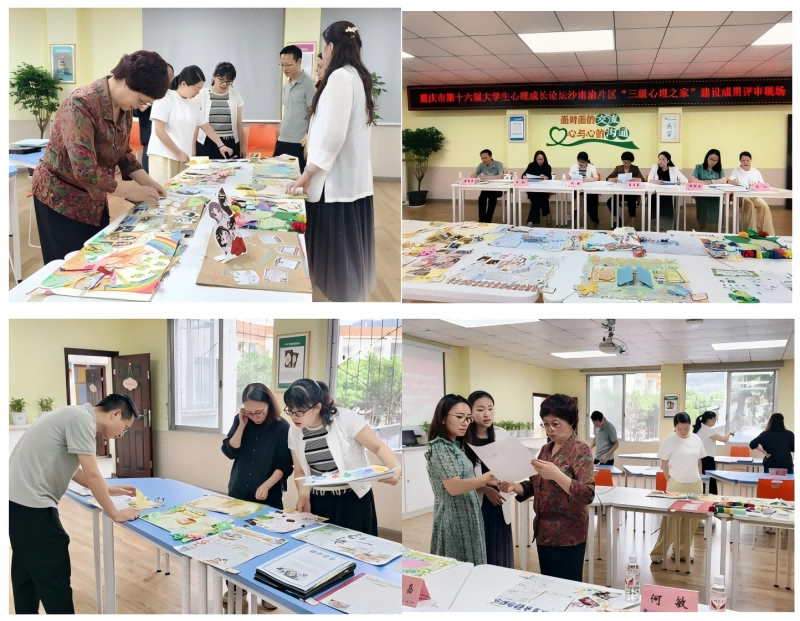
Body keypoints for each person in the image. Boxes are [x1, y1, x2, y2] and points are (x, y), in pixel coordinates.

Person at [32, 51, 170, 264]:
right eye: (141, 100)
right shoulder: (80, 104)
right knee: (69, 266)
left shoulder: (123, 107)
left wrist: (149, 183)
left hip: (94, 199)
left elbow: (123, 153)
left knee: (97, 260)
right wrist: (131, 191)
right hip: (60, 198)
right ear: (125, 81)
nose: (141, 107)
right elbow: (85, 170)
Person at [9, 395, 141, 614]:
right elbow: (91, 474)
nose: (121, 435)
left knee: (26, 576)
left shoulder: (72, 413)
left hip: (15, 503)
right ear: (116, 414)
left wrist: (108, 488)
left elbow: (75, 469)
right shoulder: (82, 421)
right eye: (125, 428)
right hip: (33, 507)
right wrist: (115, 513)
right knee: (55, 579)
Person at [286, 22, 376, 302]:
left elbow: (336, 134)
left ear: (332, 47)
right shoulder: (358, 77)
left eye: (324, 47)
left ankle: (336, 300)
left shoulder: (339, 77)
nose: (323, 54)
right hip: (352, 180)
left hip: (333, 182)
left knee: (336, 253)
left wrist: (309, 172)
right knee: (347, 253)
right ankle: (341, 299)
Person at [498, 394, 595, 582]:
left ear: (571, 421)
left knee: (567, 587)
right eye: (546, 424)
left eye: (555, 424)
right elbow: (535, 484)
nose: (550, 430)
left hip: (568, 534)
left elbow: (587, 494)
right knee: (548, 585)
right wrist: (514, 487)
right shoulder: (546, 449)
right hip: (544, 532)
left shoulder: (580, 450)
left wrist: (557, 474)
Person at [286, 379, 400, 535]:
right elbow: (299, 470)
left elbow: (378, 446)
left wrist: (395, 468)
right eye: (290, 410)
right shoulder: (295, 431)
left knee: (356, 546)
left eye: (300, 411)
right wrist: (303, 495)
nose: (294, 416)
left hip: (351, 499)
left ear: (317, 407)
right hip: (318, 499)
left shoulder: (345, 419)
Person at [221, 383, 289, 612]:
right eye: (249, 412)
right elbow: (230, 451)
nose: (255, 416)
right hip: (239, 492)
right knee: (235, 543)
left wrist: (267, 485)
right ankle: (236, 590)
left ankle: (269, 590)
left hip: (268, 496)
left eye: (259, 412)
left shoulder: (281, 427)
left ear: (269, 405)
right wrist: (242, 425)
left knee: (268, 544)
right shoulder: (242, 420)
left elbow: (284, 465)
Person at [426, 394, 495, 565]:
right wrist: (487, 477)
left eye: (468, 418)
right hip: (454, 518)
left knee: (472, 565)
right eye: (459, 417)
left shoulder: (455, 445)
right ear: (443, 418)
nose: (465, 423)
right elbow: (454, 487)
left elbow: (466, 479)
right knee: (457, 566)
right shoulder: (440, 447)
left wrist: (489, 482)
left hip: (468, 514)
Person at [147, 65, 233, 185]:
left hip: (183, 157)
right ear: (183, 84)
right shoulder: (164, 97)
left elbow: (205, 125)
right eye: (196, 89)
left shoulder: (193, 103)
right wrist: (178, 152)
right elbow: (159, 131)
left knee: (181, 191)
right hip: (163, 156)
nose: (198, 93)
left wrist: (221, 145)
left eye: (200, 89)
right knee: (164, 191)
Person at [464, 391, 513, 568]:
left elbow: (510, 465)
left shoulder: (501, 434)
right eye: (480, 409)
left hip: (500, 499)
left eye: (490, 409)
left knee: (500, 550)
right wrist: (485, 487)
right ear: (470, 412)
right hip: (476, 499)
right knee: (481, 550)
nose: (487, 414)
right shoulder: (463, 438)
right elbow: (462, 477)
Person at [650, 412, 706, 564]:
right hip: (676, 484)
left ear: (690, 426)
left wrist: (699, 477)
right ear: (675, 427)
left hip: (695, 484)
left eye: (686, 428)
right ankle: (658, 552)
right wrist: (670, 480)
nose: (683, 431)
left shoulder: (696, 439)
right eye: (679, 428)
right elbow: (664, 463)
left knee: (691, 521)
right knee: (671, 520)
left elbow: (699, 462)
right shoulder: (670, 440)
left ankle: (682, 552)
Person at [275, 45, 316, 172]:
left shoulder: (309, 84)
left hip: (299, 142)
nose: (284, 68)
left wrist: (310, 136)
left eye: (288, 65)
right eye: (282, 65)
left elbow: (315, 113)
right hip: (282, 139)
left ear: (299, 62)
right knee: (276, 175)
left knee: (295, 178)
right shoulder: (286, 85)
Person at [196, 62, 245, 161]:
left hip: (230, 142)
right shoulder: (202, 94)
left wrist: (242, 147)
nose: (224, 84)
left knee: (231, 170)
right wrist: (193, 149)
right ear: (214, 76)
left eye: (228, 81)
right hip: (206, 143)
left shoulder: (235, 95)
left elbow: (239, 123)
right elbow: (197, 124)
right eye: (221, 79)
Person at [133, 63, 174, 173]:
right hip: (149, 139)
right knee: (150, 174)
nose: (169, 80)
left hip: (170, 141)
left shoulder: (174, 96)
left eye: (171, 76)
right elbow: (136, 111)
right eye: (166, 76)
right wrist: (149, 102)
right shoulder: (146, 91)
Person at [728, 151, 775, 235]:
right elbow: (729, 181)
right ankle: (751, 232)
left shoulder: (756, 172)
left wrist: (755, 186)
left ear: (750, 161)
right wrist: (735, 182)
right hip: (742, 195)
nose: (745, 162)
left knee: (764, 206)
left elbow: (762, 184)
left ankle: (767, 232)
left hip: (754, 195)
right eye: (743, 161)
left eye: (747, 160)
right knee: (750, 204)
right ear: (740, 161)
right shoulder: (736, 170)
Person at [693, 411, 736, 495]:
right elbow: (724, 439)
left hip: (697, 458)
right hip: (707, 459)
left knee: (701, 481)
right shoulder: (708, 430)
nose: (715, 421)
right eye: (715, 419)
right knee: (710, 482)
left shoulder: (698, 429)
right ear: (709, 420)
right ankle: (711, 498)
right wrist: (729, 433)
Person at [647, 151, 688, 230]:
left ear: (668, 160)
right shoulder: (655, 167)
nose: (660, 161)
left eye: (663, 159)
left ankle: (668, 225)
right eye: (659, 159)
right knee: (654, 200)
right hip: (656, 193)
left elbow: (685, 180)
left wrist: (679, 182)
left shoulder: (674, 169)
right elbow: (649, 179)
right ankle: (654, 224)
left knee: (668, 204)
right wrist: (657, 181)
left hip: (669, 194)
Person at [606, 151, 645, 227]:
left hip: (631, 192)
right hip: (620, 192)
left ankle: (632, 222)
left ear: (631, 162)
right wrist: (615, 179)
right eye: (624, 162)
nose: (626, 164)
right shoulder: (618, 168)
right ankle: (617, 219)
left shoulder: (635, 168)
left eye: (628, 163)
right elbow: (608, 178)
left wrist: (632, 179)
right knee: (610, 202)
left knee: (632, 202)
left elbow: (642, 180)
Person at [690, 149, 727, 229]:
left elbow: (724, 180)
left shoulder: (719, 169)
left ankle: (718, 224)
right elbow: (693, 180)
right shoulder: (699, 167)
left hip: (716, 193)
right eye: (711, 159)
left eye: (715, 160)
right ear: (707, 157)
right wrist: (705, 182)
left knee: (716, 208)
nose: (712, 162)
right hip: (702, 193)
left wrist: (710, 181)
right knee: (702, 207)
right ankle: (702, 224)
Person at [472, 149, 505, 223]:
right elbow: (475, 174)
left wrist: (487, 177)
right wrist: (473, 176)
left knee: (492, 198)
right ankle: (481, 219)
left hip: (497, 188)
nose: (484, 160)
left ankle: (488, 219)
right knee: (481, 198)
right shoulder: (481, 165)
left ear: (490, 156)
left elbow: (501, 176)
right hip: (486, 187)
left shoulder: (498, 164)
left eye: (485, 158)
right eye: (482, 158)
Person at [569, 151, 600, 227]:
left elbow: (596, 177)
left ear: (586, 161)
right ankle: (582, 223)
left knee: (590, 202)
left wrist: (587, 179)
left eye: (583, 162)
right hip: (578, 189)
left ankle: (592, 219)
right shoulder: (574, 166)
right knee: (580, 201)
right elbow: (569, 177)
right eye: (579, 161)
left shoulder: (591, 167)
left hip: (589, 190)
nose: (581, 164)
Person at [522, 150, 552, 225]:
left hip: (544, 191)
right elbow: (523, 175)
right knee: (538, 199)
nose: (540, 161)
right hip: (533, 191)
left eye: (542, 159)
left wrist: (546, 178)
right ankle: (546, 212)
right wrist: (525, 177)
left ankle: (531, 221)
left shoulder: (547, 167)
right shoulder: (531, 165)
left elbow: (550, 179)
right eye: (538, 159)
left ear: (544, 159)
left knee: (536, 200)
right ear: (535, 159)